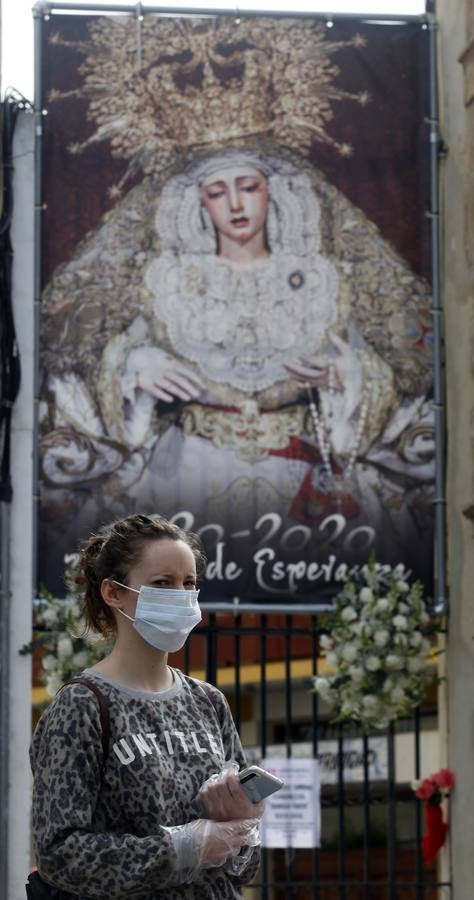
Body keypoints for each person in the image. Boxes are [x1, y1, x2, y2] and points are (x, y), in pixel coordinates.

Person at [40, 148, 434, 594]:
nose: (235, 205)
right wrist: (134, 367)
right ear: (200, 204)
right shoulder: (169, 281)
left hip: (299, 458)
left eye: (249, 187)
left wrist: (349, 374)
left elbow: (366, 362)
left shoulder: (321, 279)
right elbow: (120, 355)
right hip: (190, 458)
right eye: (217, 192)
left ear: (274, 193)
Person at [30, 513, 262, 899]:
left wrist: (241, 827)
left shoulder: (209, 702)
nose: (181, 594)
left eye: (189, 583)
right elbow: (59, 855)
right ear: (113, 592)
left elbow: (243, 869)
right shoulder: (83, 705)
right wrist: (184, 847)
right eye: (162, 583)